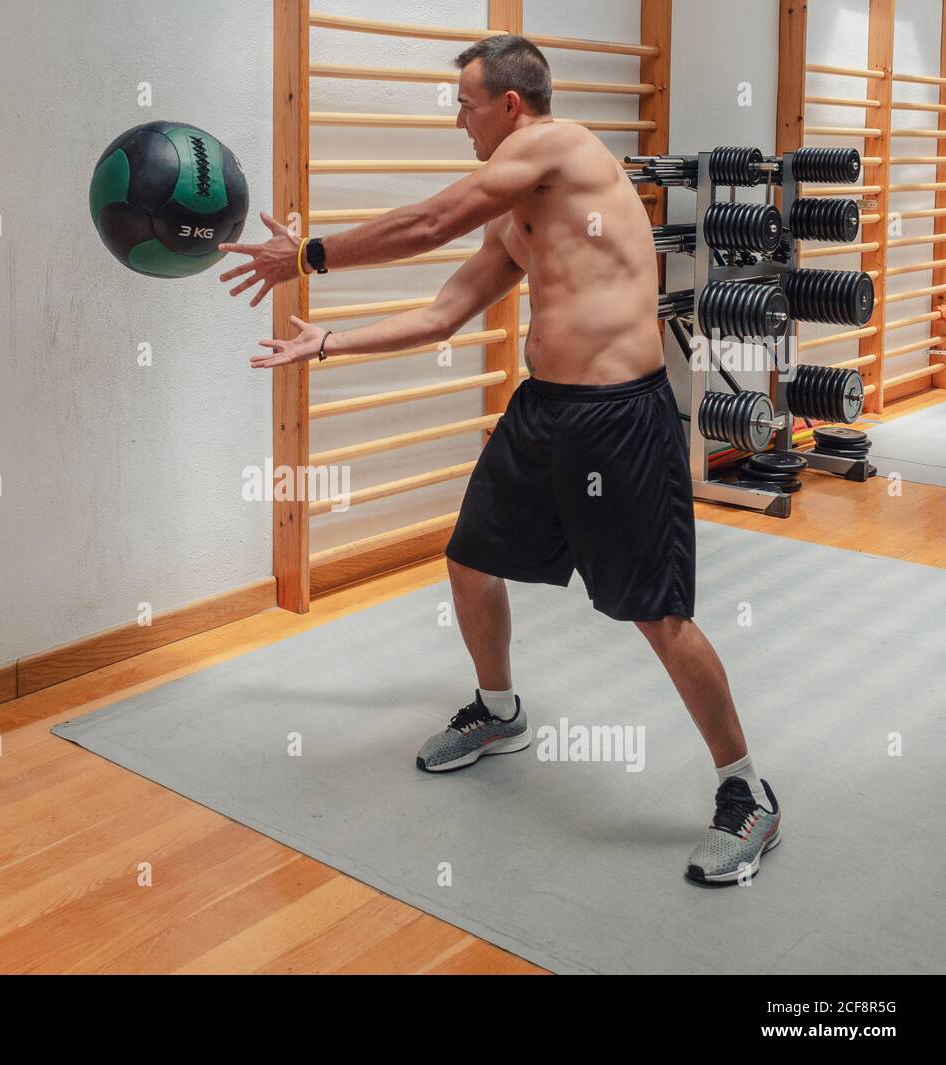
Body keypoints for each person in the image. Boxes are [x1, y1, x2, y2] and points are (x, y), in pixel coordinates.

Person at [218, 35, 780, 884]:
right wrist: (330, 340)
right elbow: (446, 313)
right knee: (471, 560)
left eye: (466, 105)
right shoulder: (526, 214)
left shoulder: (559, 148)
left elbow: (431, 220)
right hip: (544, 413)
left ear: (511, 106)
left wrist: (306, 257)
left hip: (620, 420)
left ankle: (747, 793)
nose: (459, 122)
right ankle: (498, 709)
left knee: (656, 614)